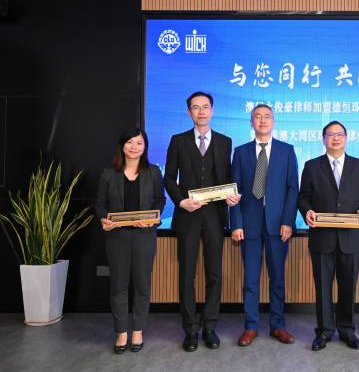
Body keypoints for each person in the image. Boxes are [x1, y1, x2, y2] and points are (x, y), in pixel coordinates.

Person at [163, 91, 240, 352]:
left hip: (215, 216)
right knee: (187, 273)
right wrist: (180, 201)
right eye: (195, 108)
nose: (201, 112)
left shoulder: (225, 142)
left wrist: (231, 195)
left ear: (212, 110)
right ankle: (190, 329)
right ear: (189, 112)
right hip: (188, 215)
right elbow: (169, 178)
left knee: (214, 273)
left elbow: (228, 178)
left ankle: (210, 326)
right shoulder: (178, 140)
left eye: (205, 107)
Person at [298, 121, 359, 351]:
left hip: (350, 238)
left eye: (340, 134)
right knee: (322, 288)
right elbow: (303, 197)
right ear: (323, 139)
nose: (336, 138)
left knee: (348, 287)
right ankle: (324, 331)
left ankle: (347, 330)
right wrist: (307, 211)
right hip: (322, 238)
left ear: (346, 138)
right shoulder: (312, 166)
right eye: (330, 135)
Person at [230, 104, 299, 347]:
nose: (262, 120)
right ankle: (250, 326)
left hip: (278, 225)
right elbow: (234, 191)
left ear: (274, 121)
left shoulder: (286, 150)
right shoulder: (240, 152)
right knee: (250, 279)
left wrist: (288, 221)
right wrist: (236, 223)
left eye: (267, 116)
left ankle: (278, 325)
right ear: (251, 122)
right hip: (249, 225)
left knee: (277, 278)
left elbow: (293, 189)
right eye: (257, 117)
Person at [95, 128, 166, 354]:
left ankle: (137, 331)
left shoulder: (153, 172)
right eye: (130, 142)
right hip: (117, 237)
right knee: (119, 285)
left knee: (142, 285)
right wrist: (104, 219)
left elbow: (160, 199)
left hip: (144, 236)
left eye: (139, 143)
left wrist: (153, 218)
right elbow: (100, 204)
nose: (134, 147)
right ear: (122, 146)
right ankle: (121, 333)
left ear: (145, 147)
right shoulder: (109, 173)